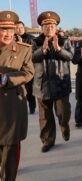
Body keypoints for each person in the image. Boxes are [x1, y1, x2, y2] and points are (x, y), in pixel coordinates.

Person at [0, 11, 34, 180]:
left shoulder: (23, 50)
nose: (7, 33)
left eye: (10, 30)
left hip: (11, 109)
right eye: (3, 29)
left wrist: (7, 79)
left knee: (11, 156)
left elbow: (28, 73)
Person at [32, 11, 73, 153]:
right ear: (42, 28)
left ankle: (64, 127)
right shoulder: (35, 42)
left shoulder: (64, 40)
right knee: (45, 116)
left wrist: (59, 49)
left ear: (55, 27)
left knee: (63, 113)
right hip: (42, 84)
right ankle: (48, 140)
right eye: (46, 26)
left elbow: (70, 56)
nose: (49, 28)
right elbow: (30, 57)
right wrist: (41, 50)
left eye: (51, 25)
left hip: (61, 83)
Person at [15, 21, 36, 114]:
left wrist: (20, 44)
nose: (19, 29)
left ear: (24, 28)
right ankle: (19, 107)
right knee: (18, 90)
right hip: (16, 68)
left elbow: (33, 54)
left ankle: (32, 107)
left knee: (29, 90)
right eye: (17, 28)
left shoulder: (31, 38)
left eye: (21, 27)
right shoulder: (12, 38)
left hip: (27, 68)